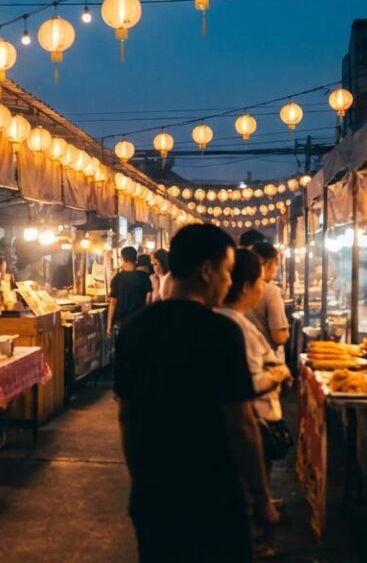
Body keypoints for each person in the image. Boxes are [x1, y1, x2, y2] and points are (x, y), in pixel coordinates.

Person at [115, 224, 274, 562]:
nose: (230, 282)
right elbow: (241, 424)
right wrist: (261, 498)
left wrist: (143, 479)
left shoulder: (133, 330)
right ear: (207, 271)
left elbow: (126, 415)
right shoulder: (222, 332)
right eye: (227, 272)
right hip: (212, 489)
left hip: (152, 493)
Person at [217, 247, 292, 558]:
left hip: (251, 424)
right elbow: (244, 386)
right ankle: (254, 544)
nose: (265, 288)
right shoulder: (234, 326)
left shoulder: (235, 321)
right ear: (246, 286)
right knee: (246, 500)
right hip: (253, 424)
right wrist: (277, 375)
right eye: (261, 281)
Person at [246, 242, 290, 353]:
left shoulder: (236, 287)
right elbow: (279, 337)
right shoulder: (271, 291)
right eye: (276, 266)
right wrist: (286, 332)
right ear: (269, 264)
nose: (275, 271)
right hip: (266, 357)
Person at [107, 246, 153, 331]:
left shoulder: (117, 278)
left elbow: (113, 303)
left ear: (122, 258)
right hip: (140, 321)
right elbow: (149, 299)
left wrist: (109, 326)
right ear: (136, 259)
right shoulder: (144, 277)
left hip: (122, 322)